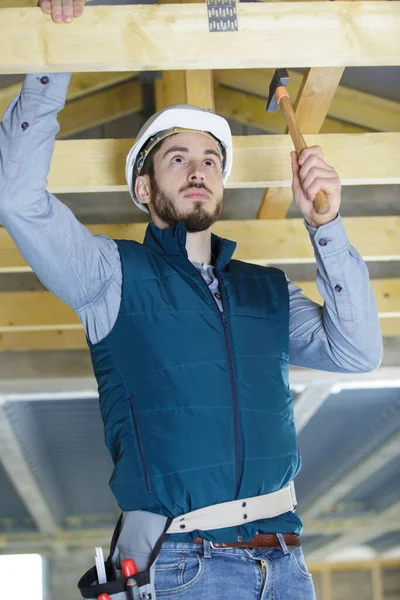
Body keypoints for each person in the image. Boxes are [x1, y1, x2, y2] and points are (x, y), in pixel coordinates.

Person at [1, 10, 382, 600]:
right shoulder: (110, 275)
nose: (198, 169)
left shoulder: (268, 290)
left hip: (285, 564)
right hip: (181, 565)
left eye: (210, 159)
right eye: (175, 158)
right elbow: (17, 198)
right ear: (144, 189)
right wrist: (54, 53)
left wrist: (327, 226)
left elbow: (357, 353)